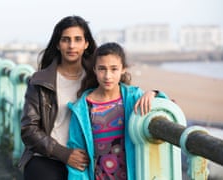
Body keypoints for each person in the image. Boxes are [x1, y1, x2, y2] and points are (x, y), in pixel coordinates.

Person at [19, 15, 163, 179]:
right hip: (49, 156)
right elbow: (28, 129)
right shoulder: (41, 81)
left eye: (77, 39)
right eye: (66, 39)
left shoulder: (97, 75)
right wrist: (64, 154)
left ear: (86, 44)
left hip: (89, 157)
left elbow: (124, 92)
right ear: (58, 44)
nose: (72, 45)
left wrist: (153, 93)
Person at [67, 42, 168, 180]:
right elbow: (77, 156)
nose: (108, 76)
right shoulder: (82, 108)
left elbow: (167, 109)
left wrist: (154, 94)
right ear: (95, 70)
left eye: (114, 69)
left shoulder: (134, 98)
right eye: (102, 69)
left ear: (123, 69)